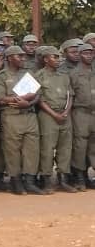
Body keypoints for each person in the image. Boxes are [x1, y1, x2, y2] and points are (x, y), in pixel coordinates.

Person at [0, 46, 43, 195]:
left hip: (29, 114)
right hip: (11, 116)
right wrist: (22, 99)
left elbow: (38, 93)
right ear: (9, 58)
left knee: (32, 150)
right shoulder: (2, 76)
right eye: (19, 56)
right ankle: (16, 182)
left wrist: (28, 102)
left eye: (23, 57)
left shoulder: (28, 73)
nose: (23, 59)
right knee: (12, 150)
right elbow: (0, 98)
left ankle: (29, 181)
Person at [35, 46, 76, 192]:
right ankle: (46, 180)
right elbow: (39, 99)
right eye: (54, 57)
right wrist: (54, 114)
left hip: (64, 115)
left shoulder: (64, 76)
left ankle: (62, 179)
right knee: (47, 148)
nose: (58, 60)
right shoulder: (38, 75)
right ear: (46, 59)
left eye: (58, 57)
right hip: (48, 116)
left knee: (65, 148)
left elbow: (70, 95)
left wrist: (66, 111)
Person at [69, 42, 94, 189]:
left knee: (93, 146)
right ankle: (79, 176)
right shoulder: (73, 74)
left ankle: (90, 176)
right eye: (85, 53)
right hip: (80, 113)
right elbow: (70, 96)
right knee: (80, 146)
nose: (89, 55)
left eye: (91, 53)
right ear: (79, 55)